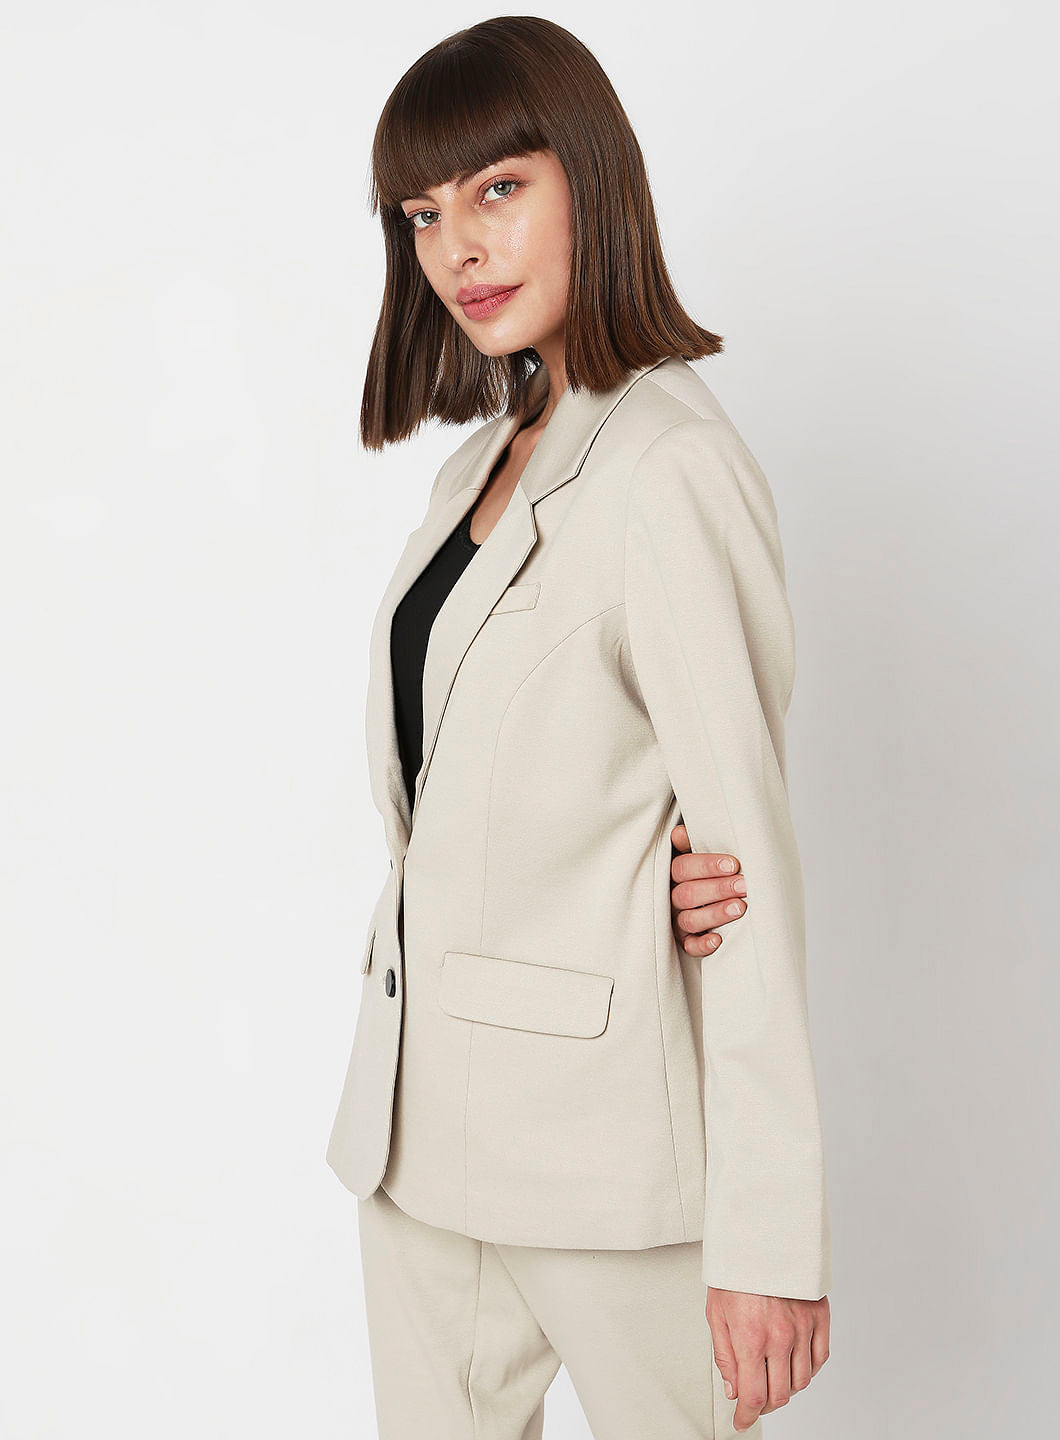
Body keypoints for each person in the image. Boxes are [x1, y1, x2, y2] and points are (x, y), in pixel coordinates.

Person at [326, 16, 833, 1439]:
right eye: (423, 214)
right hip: (419, 1145)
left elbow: (746, 868)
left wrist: (771, 1236)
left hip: (610, 1165)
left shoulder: (671, 467)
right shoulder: (479, 467)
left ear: (591, 180)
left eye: (498, 188)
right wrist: (621, 877)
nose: (458, 249)